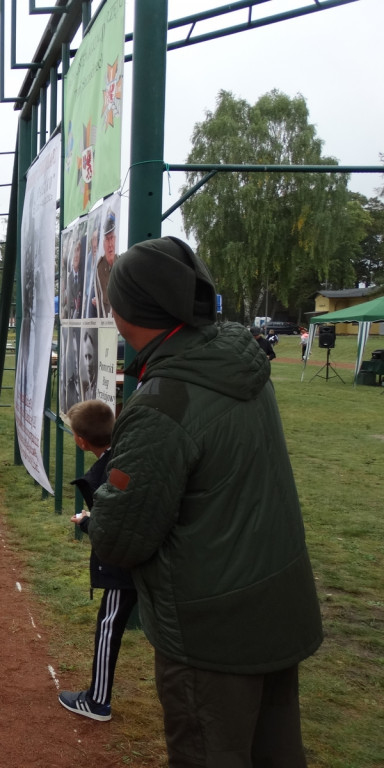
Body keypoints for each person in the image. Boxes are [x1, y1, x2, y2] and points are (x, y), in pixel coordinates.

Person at [89, 236, 322, 765]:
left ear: (127, 311)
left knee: (208, 750)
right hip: (276, 606)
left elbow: (121, 537)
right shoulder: (235, 363)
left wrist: (99, 503)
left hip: (212, 630)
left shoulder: (164, 400)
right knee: (275, 751)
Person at [58, 399, 137, 722]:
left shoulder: (112, 469)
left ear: (80, 440)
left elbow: (117, 523)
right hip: (141, 554)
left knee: (109, 625)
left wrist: (89, 522)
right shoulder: (124, 457)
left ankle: (98, 701)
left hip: (126, 562)